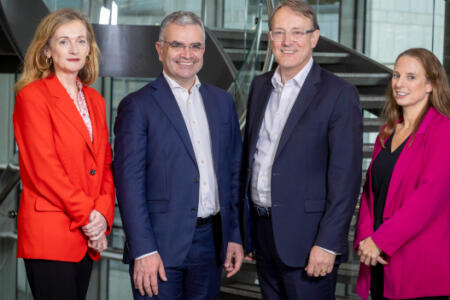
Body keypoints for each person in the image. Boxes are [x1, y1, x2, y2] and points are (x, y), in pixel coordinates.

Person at [114, 11, 243, 300]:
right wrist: (144, 249)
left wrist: (234, 235)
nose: (187, 54)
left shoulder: (222, 102)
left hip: (211, 243)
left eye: (195, 46)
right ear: (160, 50)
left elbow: (234, 173)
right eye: (177, 45)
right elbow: (128, 186)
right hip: (158, 246)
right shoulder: (137, 106)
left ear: (203, 52)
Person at [240, 1, 363, 299]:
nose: (287, 41)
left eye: (297, 32)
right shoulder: (259, 87)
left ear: (314, 37)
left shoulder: (338, 94)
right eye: (279, 32)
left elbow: (345, 180)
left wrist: (328, 243)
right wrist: (246, 232)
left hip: (309, 242)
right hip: (263, 234)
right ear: (269, 38)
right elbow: (250, 161)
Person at [12, 8, 115, 300]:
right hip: (51, 234)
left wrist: (103, 217)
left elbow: (105, 164)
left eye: (81, 41)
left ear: (89, 48)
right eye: (63, 41)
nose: (74, 49)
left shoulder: (94, 99)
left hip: (88, 235)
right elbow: (44, 171)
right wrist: (89, 218)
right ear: (47, 51)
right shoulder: (31, 97)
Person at [354, 48, 450, 300]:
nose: (399, 83)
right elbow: (369, 193)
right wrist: (366, 239)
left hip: (417, 263)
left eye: (410, 77)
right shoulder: (387, 132)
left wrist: (381, 241)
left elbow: (428, 199)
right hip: (377, 260)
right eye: (396, 75)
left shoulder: (443, 130)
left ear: (430, 84)